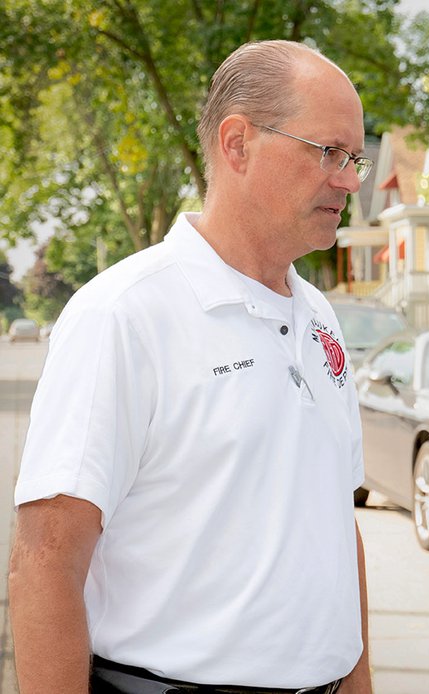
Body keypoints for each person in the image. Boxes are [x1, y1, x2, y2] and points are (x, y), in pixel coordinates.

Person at [9, 40, 374, 694]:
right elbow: (45, 562)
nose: (348, 180)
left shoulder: (322, 317)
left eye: (354, 159)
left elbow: (336, 529)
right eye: (327, 152)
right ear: (237, 143)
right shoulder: (121, 316)